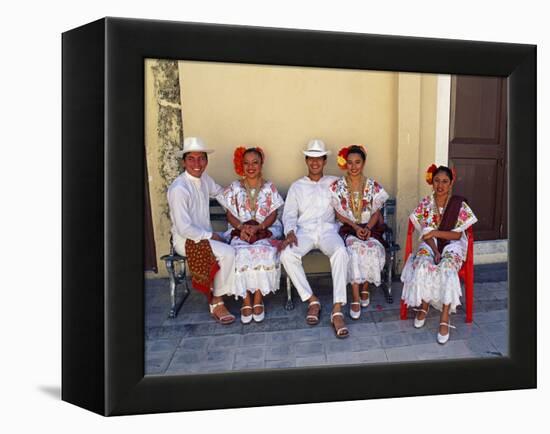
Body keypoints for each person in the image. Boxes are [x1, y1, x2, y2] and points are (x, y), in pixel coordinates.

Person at [280, 139, 350, 338]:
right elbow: (289, 214)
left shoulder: (334, 183)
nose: (315, 162)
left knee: (340, 252)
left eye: (319, 158)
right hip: (304, 232)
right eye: (311, 158)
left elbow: (348, 201)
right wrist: (290, 231)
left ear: (324, 160)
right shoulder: (297, 186)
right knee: (286, 255)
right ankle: (312, 300)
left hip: (328, 231)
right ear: (306, 160)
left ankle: (337, 310)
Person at [401, 164, 477, 344]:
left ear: (451, 183)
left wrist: (436, 233)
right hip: (431, 245)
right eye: (437, 181)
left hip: (452, 245)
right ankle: (424, 306)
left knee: (448, 270)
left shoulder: (459, 204)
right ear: (431, 182)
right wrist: (435, 251)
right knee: (422, 265)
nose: (440, 185)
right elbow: (425, 234)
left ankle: (444, 317)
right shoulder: (426, 204)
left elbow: (457, 235)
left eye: (444, 181)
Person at [167, 136, 236, 325]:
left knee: (236, 239)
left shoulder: (204, 178)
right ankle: (217, 301)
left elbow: (220, 193)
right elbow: (184, 228)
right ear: (184, 161)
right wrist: (212, 236)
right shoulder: (179, 189)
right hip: (187, 240)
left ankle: (240, 290)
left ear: (206, 161)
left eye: (201, 158)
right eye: (191, 159)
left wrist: (240, 197)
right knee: (228, 253)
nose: (197, 163)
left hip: (206, 236)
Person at [216, 147, 284, 324]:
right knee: (238, 252)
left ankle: (258, 298)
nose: (251, 167)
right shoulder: (235, 187)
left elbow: (273, 214)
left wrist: (260, 227)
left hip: (265, 229)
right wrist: (241, 227)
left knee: (264, 251)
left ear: (261, 164)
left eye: (255, 162)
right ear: (241, 165)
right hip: (241, 230)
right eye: (246, 163)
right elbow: (229, 213)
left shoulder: (269, 187)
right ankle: (246, 299)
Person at [330, 145, 389, 320]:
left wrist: (368, 228)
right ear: (345, 164)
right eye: (350, 163)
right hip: (350, 228)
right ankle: (355, 296)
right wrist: (356, 228)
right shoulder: (338, 186)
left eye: (357, 162)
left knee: (371, 249)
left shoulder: (372, 186)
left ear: (363, 163)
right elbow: (338, 213)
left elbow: (376, 211)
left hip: (370, 227)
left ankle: (365, 287)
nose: (353, 167)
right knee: (354, 251)